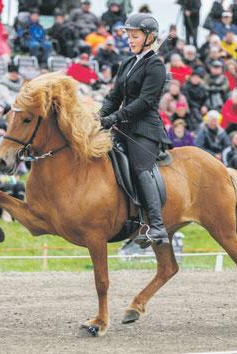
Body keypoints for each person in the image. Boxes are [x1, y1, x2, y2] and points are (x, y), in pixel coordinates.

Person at [99, 13, 171, 247]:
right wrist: (97, 117)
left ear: (149, 38)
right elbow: (114, 97)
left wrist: (115, 117)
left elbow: (145, 102)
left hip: (145, 129)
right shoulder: (127, 64)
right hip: (123, 126)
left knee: (141, 169)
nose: (130, 40)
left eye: (135, 36)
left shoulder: (156, 65)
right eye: (129, 36)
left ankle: (157, 226)